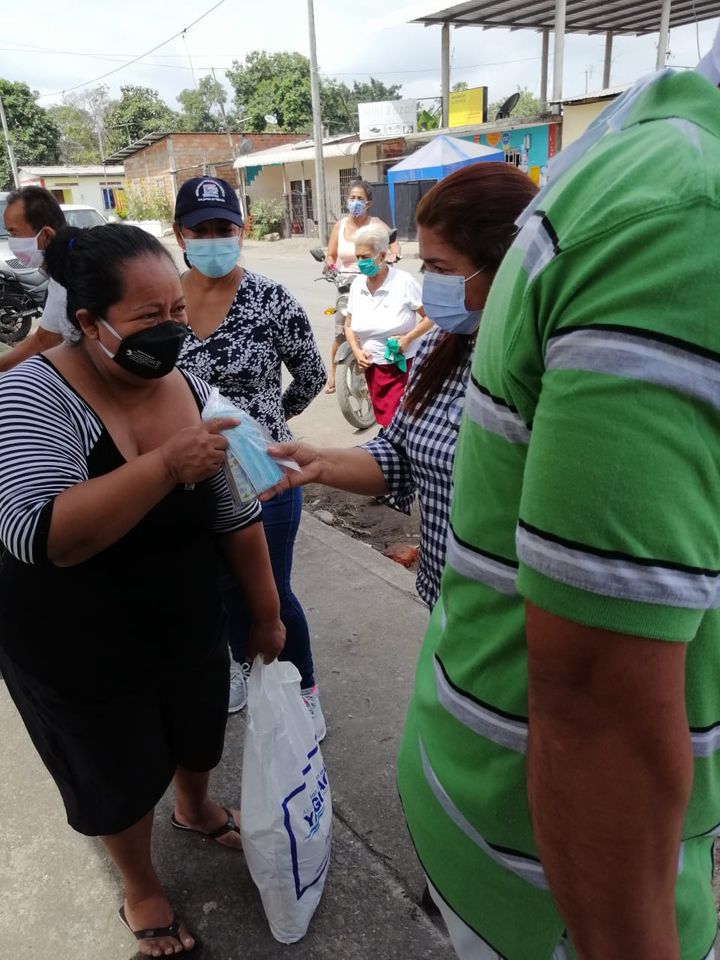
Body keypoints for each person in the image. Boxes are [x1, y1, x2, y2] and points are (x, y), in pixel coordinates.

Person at [395, 39, 720, 960]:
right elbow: (596, 706)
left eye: (441, 264)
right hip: (559, 869)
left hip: (500, 783)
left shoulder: (638, 151)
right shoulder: (684, 217)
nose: (431, 286)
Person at [0, 222, 285, 957]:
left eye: (178, 311)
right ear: (90, 322)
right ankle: (139, 885)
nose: (171, 330)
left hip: (182, 618)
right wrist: (164, 466)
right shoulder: (30, 392)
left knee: (197, 726)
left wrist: (266, 613)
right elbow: (36, 532)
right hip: (73, 639)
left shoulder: (189, 387)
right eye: (149, 315)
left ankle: (195, 808)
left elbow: (235, 510)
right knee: (113, 769)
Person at [266, 164, 538, 609]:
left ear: (507, 266)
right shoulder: (437, 347)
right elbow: (398, 453)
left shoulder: (546, 373)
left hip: (515, 621)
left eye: (441, 268)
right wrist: (319, 463)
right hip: (442, 600)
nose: (430, 284)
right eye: (425, 266)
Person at [172, 176, 327, 736]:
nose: (214, 239)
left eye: (225, 228)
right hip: (190, 478)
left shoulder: (270, 298)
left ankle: (302, 686)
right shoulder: (165, 302)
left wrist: (267, 424)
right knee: (216, 584)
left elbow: (311, 375)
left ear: (242, 230)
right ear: (180, 234)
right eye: (201, 230)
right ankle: (241, 662)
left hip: (265, 476)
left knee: (270, 591)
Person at [345, 223, 431, 429]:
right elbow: (349, 325)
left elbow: (430, 317)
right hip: (373, 370)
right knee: (387, 424)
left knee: (401, 424)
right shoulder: (357, 285)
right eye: (357, 257)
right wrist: (356, 351)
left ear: (382, 255)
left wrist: (407, 339)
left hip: (402, 369)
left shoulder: (403, 282)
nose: (360, 262)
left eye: (365, 257)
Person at [323, 179, 400, 393]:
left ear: (368, 204)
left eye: (360, 199)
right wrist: (329, 264)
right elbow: (331, 254)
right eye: (352, 198)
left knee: (377, 327)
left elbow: (393, 243)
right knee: (341, 331)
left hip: (372, 281)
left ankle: (387, 368)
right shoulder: (339, 226)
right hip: (345, 284)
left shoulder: (375, 224)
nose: (355, 202)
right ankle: (333, 374)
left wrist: (393, 254)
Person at [0, 186, 70, 372]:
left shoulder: (69, 274)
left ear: (46, 234)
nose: (11, 241)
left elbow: (43, 341)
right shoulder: (63, 264)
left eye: (14, 233)